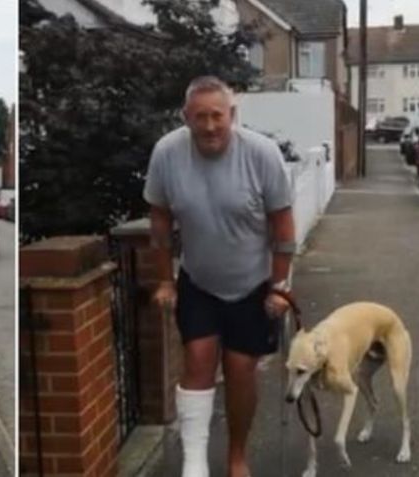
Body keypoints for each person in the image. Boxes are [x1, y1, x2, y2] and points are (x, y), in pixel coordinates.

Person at [143, 76, 296, 477]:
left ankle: (236, 457)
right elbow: (159, 220)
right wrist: (164, 279)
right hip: (199, 280)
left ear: (232, 115)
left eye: (217, 116)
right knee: (197, 360)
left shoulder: (261, 154)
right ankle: (195, 463)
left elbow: (282, 225)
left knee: (241, 370)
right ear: (186, 118)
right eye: (200, 117)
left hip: (252, 284)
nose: (209, 127)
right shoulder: (167, 153)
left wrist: (280, 286)